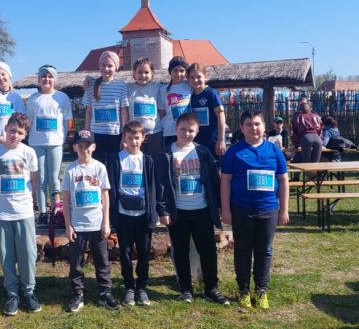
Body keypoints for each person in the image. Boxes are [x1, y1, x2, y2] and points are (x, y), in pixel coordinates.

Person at [156, 113, 230, 306]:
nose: (186, 133)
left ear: (197, 132)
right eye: (183, 129)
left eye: (191, 130)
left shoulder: (203, 152)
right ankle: (185, 289)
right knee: (180, 251)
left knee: (208, 250)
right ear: (176, 128)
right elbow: (161, 185)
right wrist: (163, 210)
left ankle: (211, 288)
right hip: (178, 212)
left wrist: (219, 206)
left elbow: (214, 181)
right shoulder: (166, 154)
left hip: (202, 210)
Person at [220, 111, 289, 309]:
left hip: (268, 209)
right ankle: (243, 290)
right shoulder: (234, 152)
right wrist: (226, 209)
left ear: (264, 127)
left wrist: (284, 209)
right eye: (249, 124)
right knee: (242, 250)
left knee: (264, 250)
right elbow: (225, 181)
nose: (254, 128)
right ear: (242, 128)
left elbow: (283, 180)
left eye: (257, 124)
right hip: (242, 209)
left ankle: (261, 290)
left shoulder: (274, 151)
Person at [0, 113, 40, 316]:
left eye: (20, 132)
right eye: (12, 131)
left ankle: (29, 291)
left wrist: (29, 201)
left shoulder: (29, 153)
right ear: (6, 129)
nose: (15, 135)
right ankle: (12, 292)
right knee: (6, 254)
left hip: (24, 211)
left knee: (27, 253)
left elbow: (34, 181)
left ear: (25, 135)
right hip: (2, 212)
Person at [61, 129, 119, 312]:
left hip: (97, 224)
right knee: (76, 262)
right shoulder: (70, 170)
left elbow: (105, 197)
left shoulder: (99, 168)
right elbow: (65, 199)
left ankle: (104, 292)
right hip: (77, 225)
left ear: (93, 147)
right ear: (74, 147)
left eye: (87, 146)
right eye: (80, 146)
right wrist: (68, 225)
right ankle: (77, 293)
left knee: (102, 261)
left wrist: (106, 222)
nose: (84, 149)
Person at [106, 121, 156, 306]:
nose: (134, 142)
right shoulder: (115, 159)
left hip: (143, 215)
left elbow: (152, 188)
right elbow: (111, 188)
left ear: (143, 138)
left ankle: (141, 287)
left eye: (137, 138)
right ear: (124, 139)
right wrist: (111, 215)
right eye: (130, 138)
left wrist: (153, 213)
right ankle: (128, 286)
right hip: (123, 215)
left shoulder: (148, 160)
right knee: (125, 252)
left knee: (143, 252)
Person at [26, 64, 73, 226]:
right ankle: (42, 212)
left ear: (55, 79)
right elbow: (29, 121)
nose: (47, 79)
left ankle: (56, 209)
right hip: (36, 142)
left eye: (50, 76)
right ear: (39, 79)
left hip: (55, 142)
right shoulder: (33, 99)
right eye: (44, 76)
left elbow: (67, 120)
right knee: (40, 178)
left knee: (54, 178)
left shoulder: (62, 97)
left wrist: (67, 136)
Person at [81, 51, 129, 164]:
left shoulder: (121, 86)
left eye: (110, 66)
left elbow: (124, 112)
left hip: (115, 134)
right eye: (103, 65)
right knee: (97, 165)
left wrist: (124, 134)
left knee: (114, 165)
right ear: (99, 66)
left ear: (116, 68)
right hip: (96, 134)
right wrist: (87, 132)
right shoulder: (91, 85)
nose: (106, 68)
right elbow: (89, 111)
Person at [126, 57, 165, 155]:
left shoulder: (158, 87)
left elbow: (161, 110)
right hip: (135, 136)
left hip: (155, 134)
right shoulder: (128, 88)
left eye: (146, 72)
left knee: (155, 161)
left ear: (152, 73)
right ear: (134, 73)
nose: (143, 75)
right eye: (139, 72)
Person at [186, 63, 227, 158]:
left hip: (213, 139)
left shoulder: (211, 93)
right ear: (188, 79)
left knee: (216, 165)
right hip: (198, 140)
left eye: (199, 77)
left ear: (205, 76)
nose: (195, 80)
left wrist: (221, 139)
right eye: (192, 77)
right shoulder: (190, 95)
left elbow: (221, 115)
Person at [160, 57, 192, 148]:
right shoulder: (163, 90)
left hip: (188, 131)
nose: (178, 74)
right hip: (170, 131)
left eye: (182, 71)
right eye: (175, 70)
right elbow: (161, 111)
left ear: (186, 72)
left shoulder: (190, 86)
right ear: (170, 72)